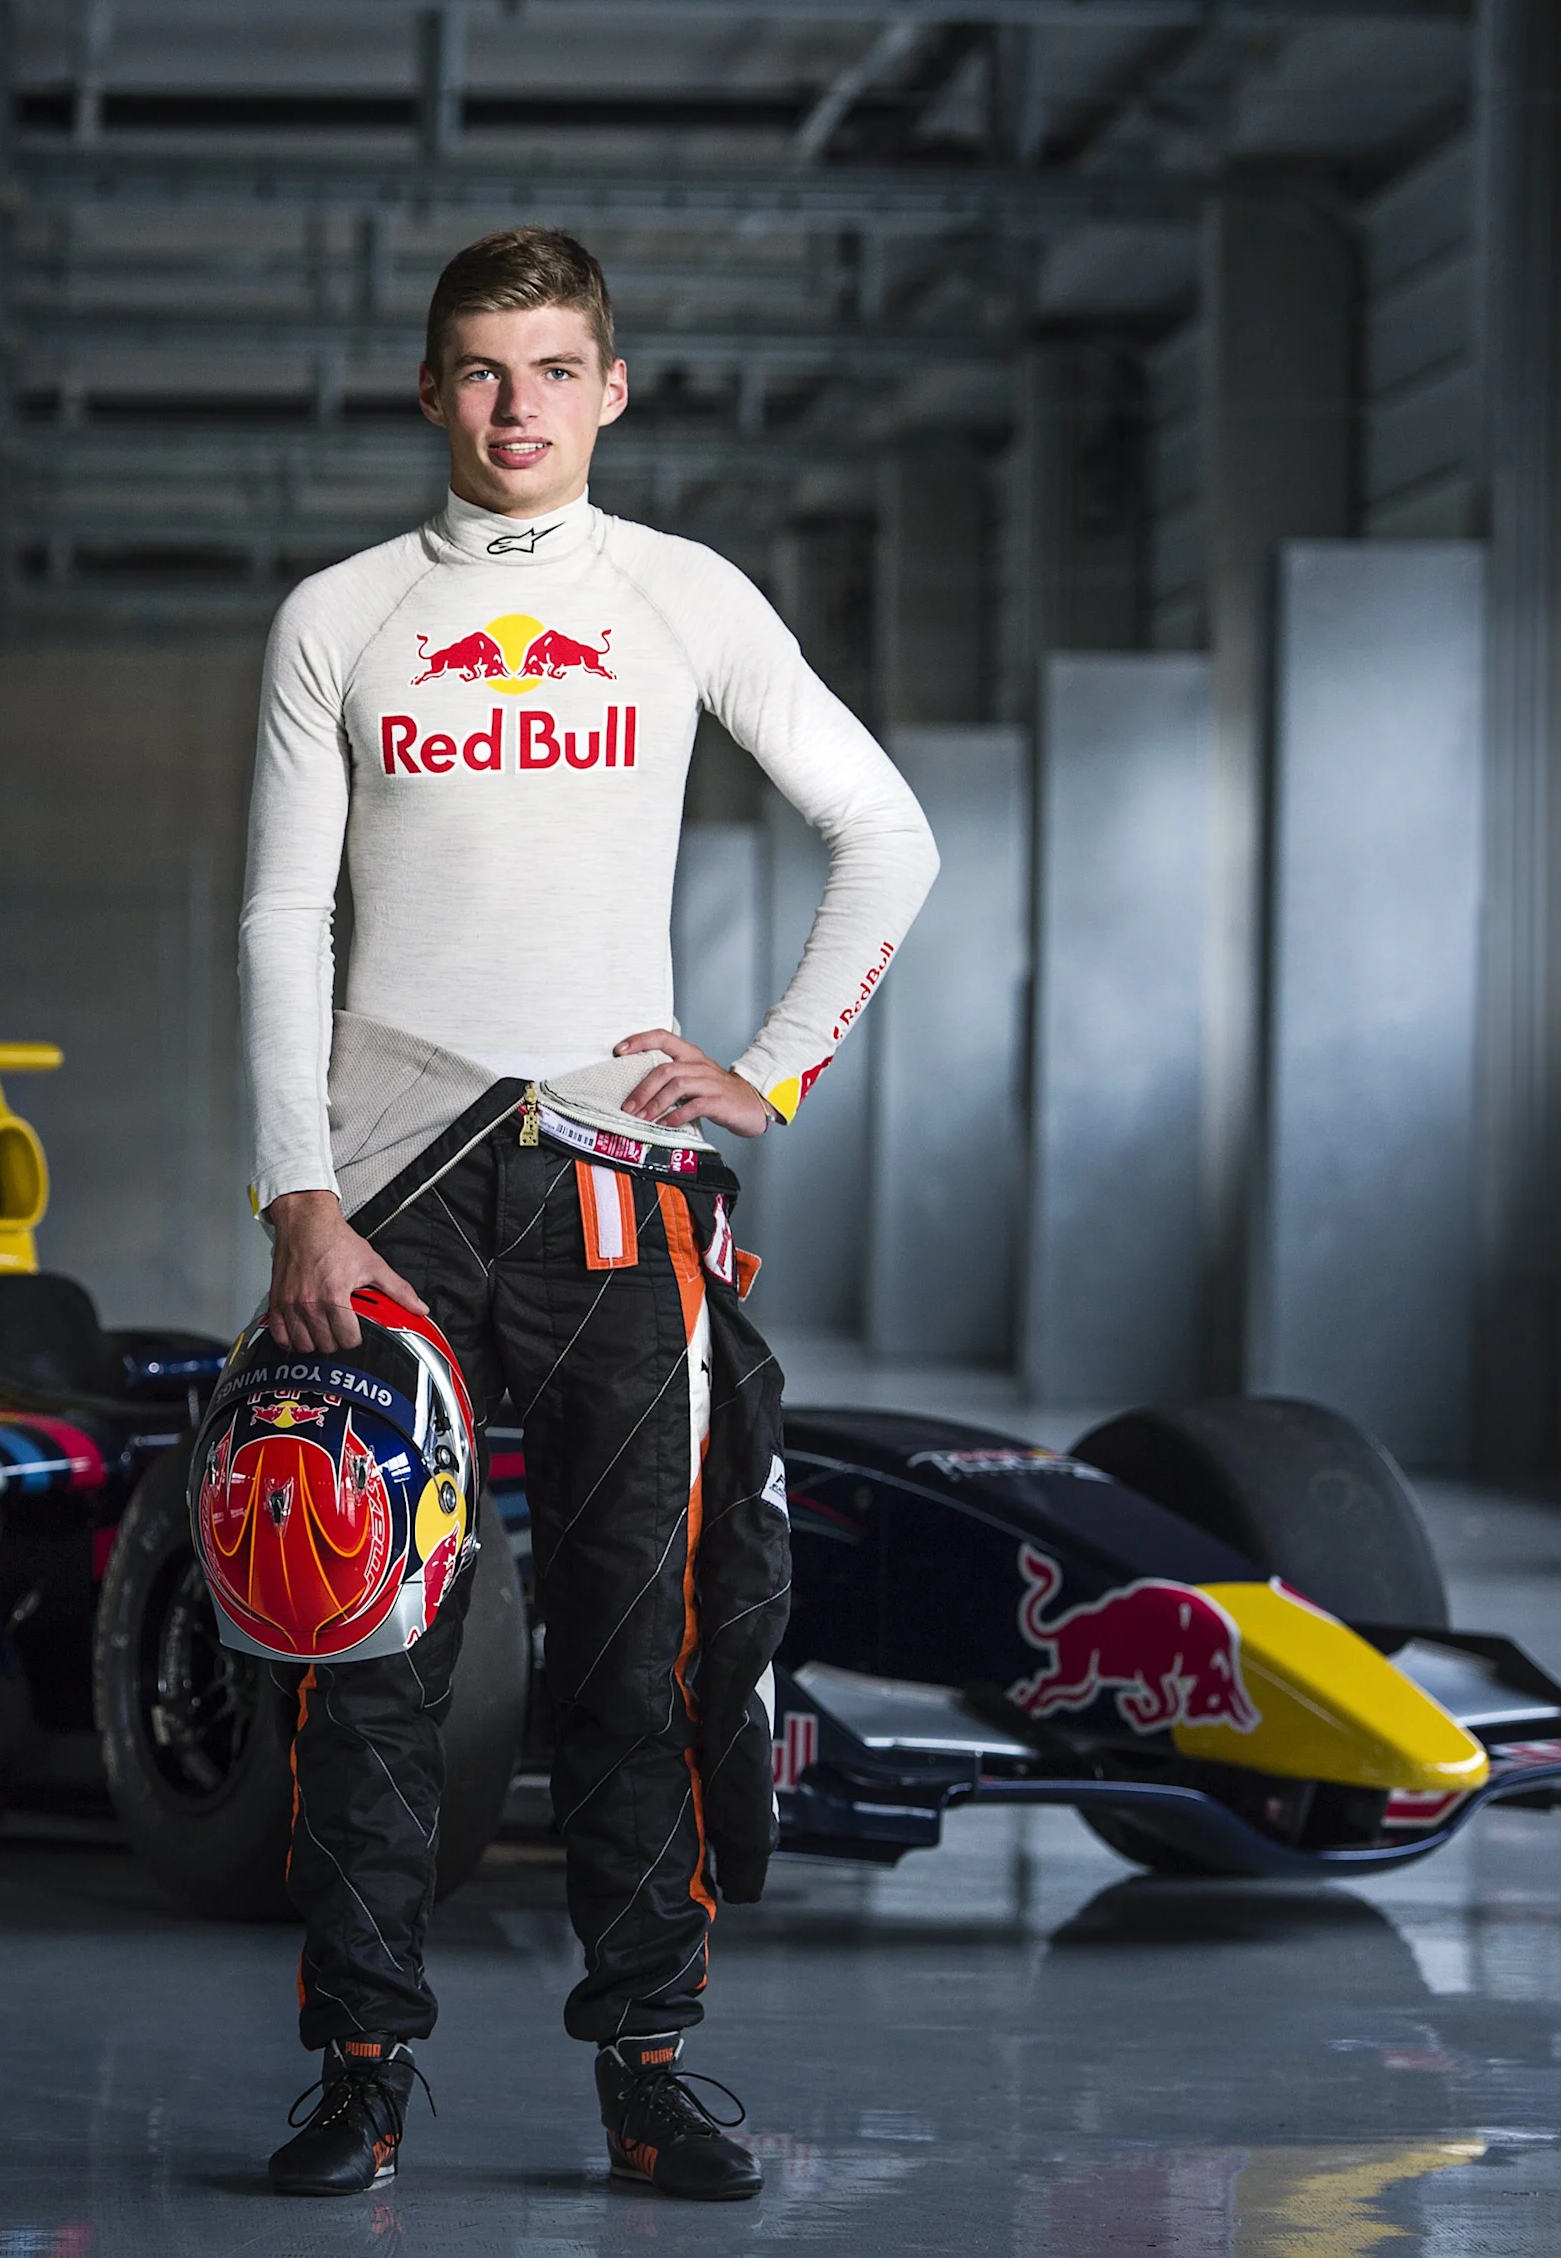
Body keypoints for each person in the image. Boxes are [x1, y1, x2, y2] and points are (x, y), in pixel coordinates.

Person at [237, 225, 937, 2202]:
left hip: (626, 1196)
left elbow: (885, 833)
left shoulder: (679, 595)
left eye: (553, 368)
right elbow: (285, 917)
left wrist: (772, 1073)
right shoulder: (339, 615)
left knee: (641, 1653)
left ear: (611, 391)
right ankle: (359, 2069)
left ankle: (647, 2067)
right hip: (378, 1208)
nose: (516, 404)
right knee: (360, 1652)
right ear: (430, 388)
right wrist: (297, 1191)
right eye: (478, 367)